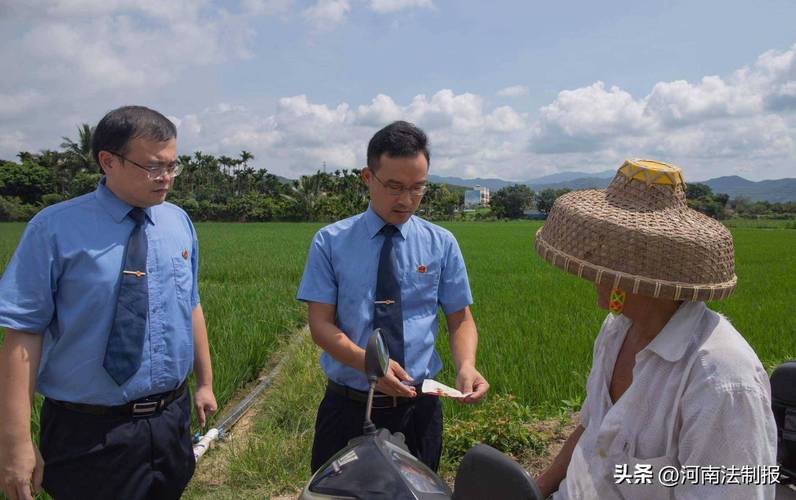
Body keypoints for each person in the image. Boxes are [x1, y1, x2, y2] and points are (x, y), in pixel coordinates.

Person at [0, 105, 217, 500]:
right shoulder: (53, 229)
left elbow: (191, 303)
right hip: (88, 431)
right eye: (153, 166)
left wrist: (204, 383)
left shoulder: (177, 222)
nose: (166, 178)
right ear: (108, 161)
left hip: (170, 419)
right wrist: (14, 442)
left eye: (172, 165)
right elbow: (23, 335)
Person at [533, 159, 777, 499]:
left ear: (642, 273)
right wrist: (537, 488)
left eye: (608, 255)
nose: (591, 266)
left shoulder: (721, 380)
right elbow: (593, 428)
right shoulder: (617, 329)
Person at [297, 120, 489, 473]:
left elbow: (459, 318)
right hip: (349, 406)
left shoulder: (441, 243)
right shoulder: (331, 242)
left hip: (419, 410)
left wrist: (466, 365)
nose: (406, 199)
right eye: (395, 186)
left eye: (418, 188)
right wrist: (370, 364)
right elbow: (321, 326)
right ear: (368, 178)